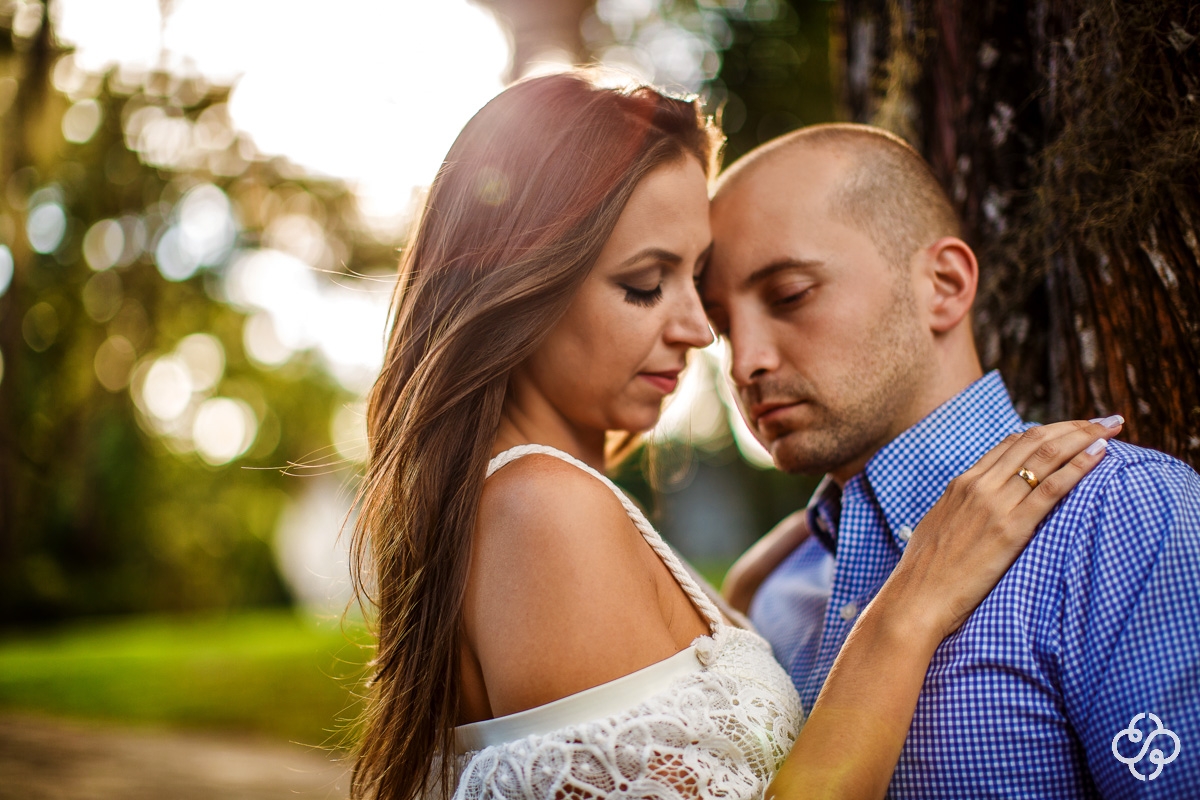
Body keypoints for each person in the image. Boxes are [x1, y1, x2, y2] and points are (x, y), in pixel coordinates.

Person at [348, 74, 1120, 800]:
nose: (698, 335)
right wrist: (908, 607)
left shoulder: (530, 507)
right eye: (647, 284)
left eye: (696, 287)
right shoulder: (542, 507)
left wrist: (734, 622)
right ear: (520, 284)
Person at [705, 122, 1200, 797]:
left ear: (943, 284)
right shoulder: (775, 592)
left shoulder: (1123, 520)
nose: (746, 360)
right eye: (722, 326)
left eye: (790, 294)